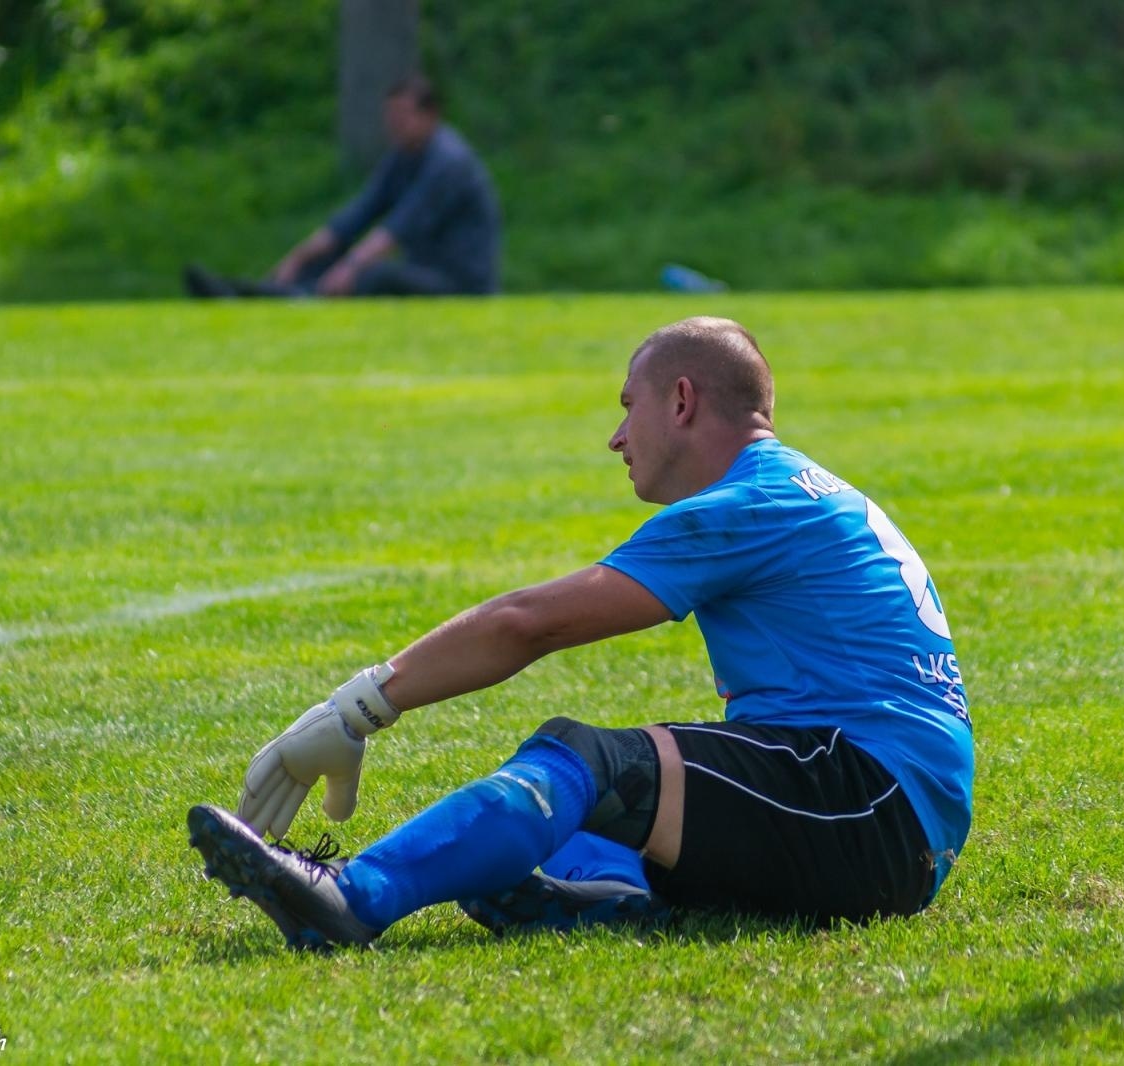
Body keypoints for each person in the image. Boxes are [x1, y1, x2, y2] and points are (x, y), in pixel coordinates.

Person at [188, 316, 975, 950]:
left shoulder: (751, 505)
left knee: (587, 762)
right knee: (537, 835)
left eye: (627, 405)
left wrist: (358, 708)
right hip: (876, 809)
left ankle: (349, 900)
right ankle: (608, 902)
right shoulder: (795, 488)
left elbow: (526, 624)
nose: (617, 436)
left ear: (681, 402)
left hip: (870, 799)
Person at [184, 74, 501, 299]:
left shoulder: (448, 162)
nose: (394, 124)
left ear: (430, 115)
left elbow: (397, 228)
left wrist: (350, 268)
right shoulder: (402, 157)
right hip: (424, 269)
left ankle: (288, 299)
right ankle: (256, 291)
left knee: (374, 274)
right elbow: (357, 215)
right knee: (333, 257)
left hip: (461, 283)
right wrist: (299, 257)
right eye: (390, 116)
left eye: (403, 116)